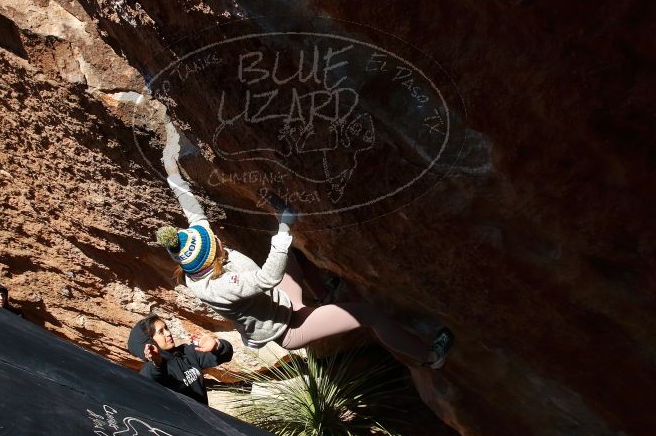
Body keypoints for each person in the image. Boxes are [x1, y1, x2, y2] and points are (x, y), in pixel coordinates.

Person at [154, 129, 454, 369]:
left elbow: (194, 212)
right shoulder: (219, 286)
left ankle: (325, 294)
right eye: (213, 242)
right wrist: (283, 226)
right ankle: (429, 356)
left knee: (294, 258)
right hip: (289, 328)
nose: (216, 237)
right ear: (210, 257)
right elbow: (266, 279)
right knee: (370, 315)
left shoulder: (194, 261)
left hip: (282, 303)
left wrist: (171, 167)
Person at [127, 313, 233, 405]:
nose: (168, 334)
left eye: (166, 328)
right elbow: (153, 377)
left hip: (206, 419)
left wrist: (217, 346)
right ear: (149, 343)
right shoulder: (151, 370)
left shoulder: (186, 352)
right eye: (161, 332)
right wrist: (157, 363)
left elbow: (226, 355)